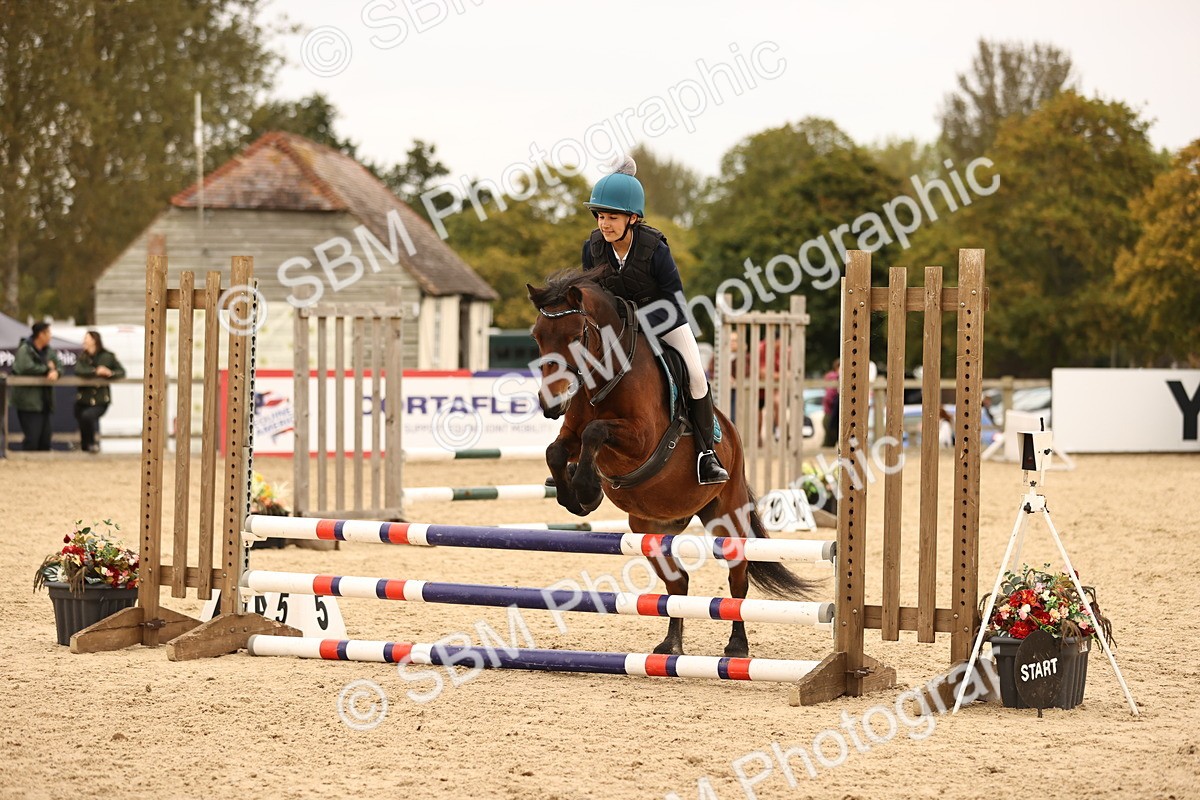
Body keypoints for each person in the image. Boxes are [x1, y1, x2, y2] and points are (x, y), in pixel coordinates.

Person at [580, 156, 728, 485]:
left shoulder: (655, 249)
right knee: (580, 369)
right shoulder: (592, 247)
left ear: (633, 218)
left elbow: (674, 296)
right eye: (601, 216)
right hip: (616, 328)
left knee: (696, 376)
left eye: (613, 217)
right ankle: (572, 450)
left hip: (664, 319)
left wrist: (640, 320)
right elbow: (591, 292)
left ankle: (706, 454)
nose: (605, 224)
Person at [12, 321, 62, 451]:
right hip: (28, 403)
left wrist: (56, 372)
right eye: (49, 333)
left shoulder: (48, 350)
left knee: (45, 440)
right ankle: (27, 468)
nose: (51, 336)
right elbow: (25, 367)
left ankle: (43, 470)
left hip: (45, 402)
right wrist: (46, 369)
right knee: (32, 439)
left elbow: (59, 365)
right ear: (41, 334)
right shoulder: (25, 349)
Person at [74, 330, 125, 453]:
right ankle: (86, 446)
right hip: (83, 398)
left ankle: (91, 445)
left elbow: (121, 372)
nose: (84, 342)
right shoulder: (82, 357)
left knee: (88, 416)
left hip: (101, 399)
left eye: (86, 339)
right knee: (81, 417)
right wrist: (95, 371)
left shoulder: (108, 356)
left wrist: (109, 373)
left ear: (94, 340)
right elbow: (79, 370)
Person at [821, 358, 840, 448]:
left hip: (830, 415)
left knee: (829, 442)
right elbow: (829, 398)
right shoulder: (834, 378)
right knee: (829, 443)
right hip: (831, 415)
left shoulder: (833, 378)